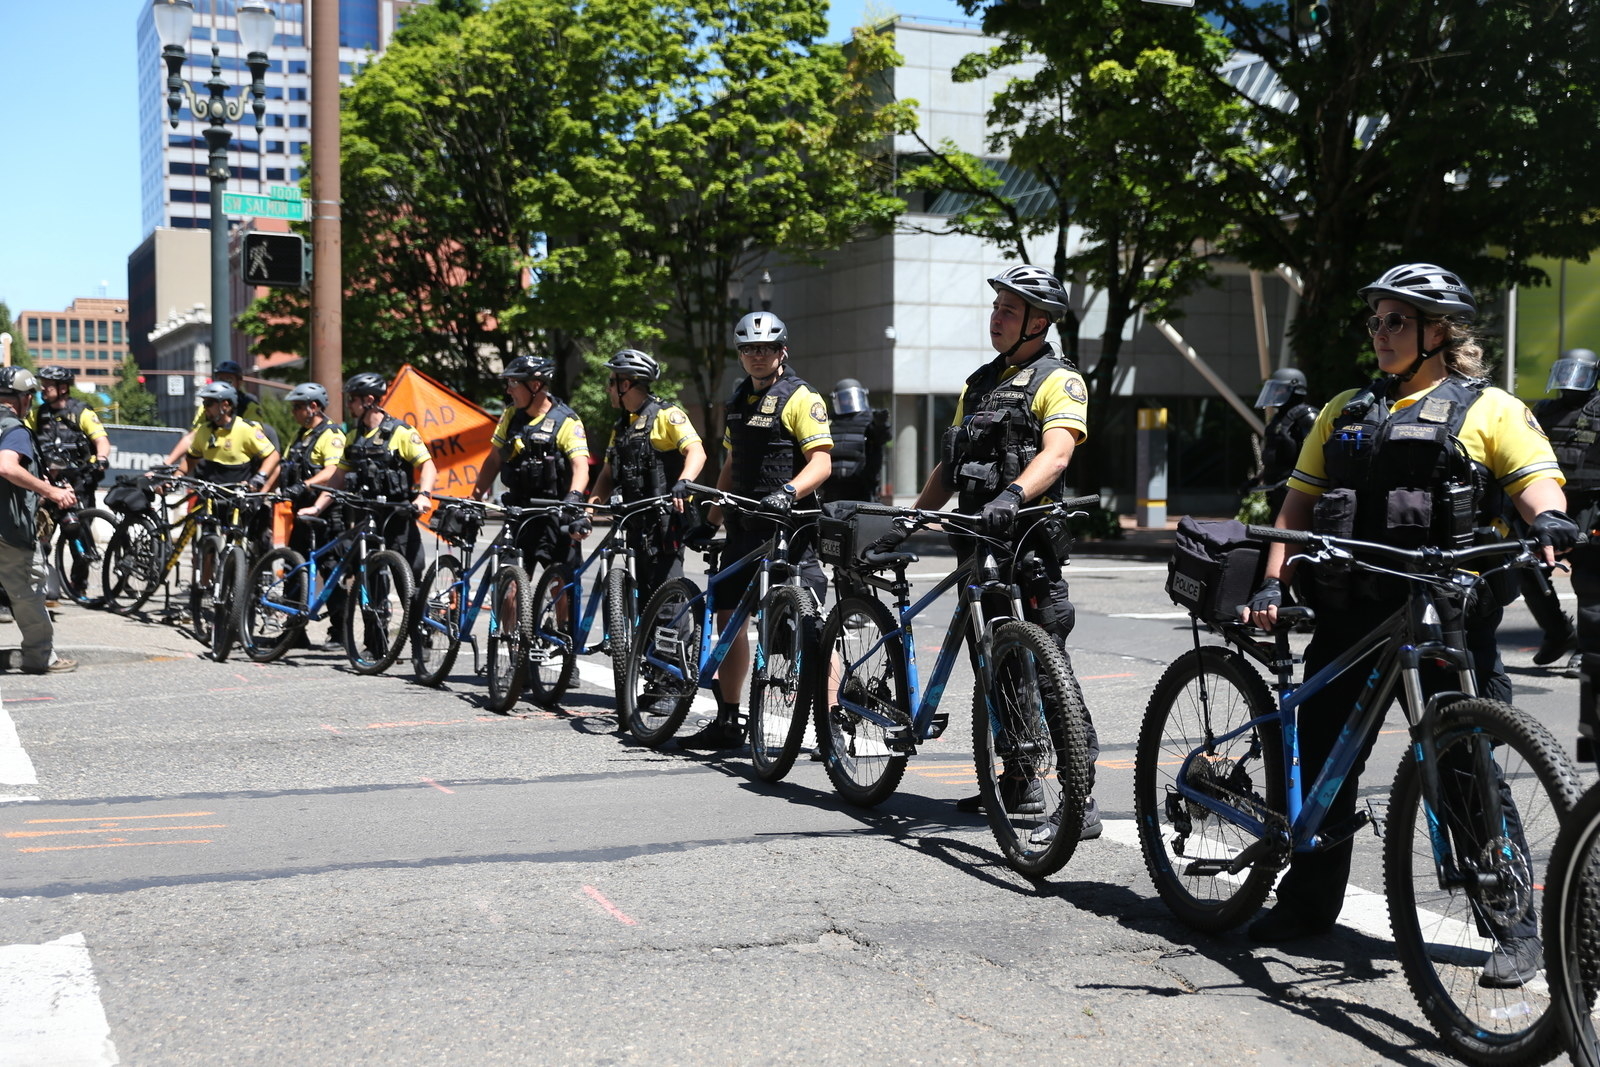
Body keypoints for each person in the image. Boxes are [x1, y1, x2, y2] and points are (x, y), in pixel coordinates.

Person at [1243, 262, 1574, 986]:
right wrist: (1272, 579)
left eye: (1397, 320)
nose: (1381, 333)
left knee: (1466, 770)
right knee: (1325, 757)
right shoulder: (1343, 409)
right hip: (1351, 613)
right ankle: (1305, 903)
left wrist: (1548, 515)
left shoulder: (1489, 409)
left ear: (1438, 331)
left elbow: (1533, 479)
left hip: (1447, 619)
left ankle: (1514, 925)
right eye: (1377, 320)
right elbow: (1297, 507)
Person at [908, 264, 1100, 842]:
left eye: (1010, 310)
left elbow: (1059, 452)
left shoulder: (1058, 380)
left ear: (1039, 323)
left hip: (1029, 546)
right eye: (996, 308)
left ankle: (1079, 797)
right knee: (997, 668)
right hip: (976, 545)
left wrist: (1015, 494)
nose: (997, 317)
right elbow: (951, 462)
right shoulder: (982, 381)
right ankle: (1018, 781)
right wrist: (916, 516)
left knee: (1048, 672)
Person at [677, 310, 832, 751]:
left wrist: (789, 491)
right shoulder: (739, 399)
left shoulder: (802, 397)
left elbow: (821, 462)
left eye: (765, 348)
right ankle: (728, 720)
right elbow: (731, 466)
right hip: (744, 526)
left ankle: (834, 721)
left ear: (782, 351)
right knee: (729, 618)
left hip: (789, 527)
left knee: (806, 626)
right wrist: (709, 520)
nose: (757, 356)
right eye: (749, 349)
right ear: (741, 355)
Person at [587, 349, 706, 604]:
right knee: (640, 602)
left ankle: (675, 644)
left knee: (667, 601)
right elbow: (607, 474)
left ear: (625, 384)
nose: (608, 388)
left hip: (663, 527)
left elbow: (696, 451)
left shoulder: (666, 415)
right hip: (633, 525)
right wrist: (588, 511)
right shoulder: (622, 427)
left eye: (611, 382)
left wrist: (684, 482)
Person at [303, 373, 435, 576]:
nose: (348, 404)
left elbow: (427, 466)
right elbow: (337, 478)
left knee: (410, 579)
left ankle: (414, 606)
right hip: (366, 515)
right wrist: (316, 507)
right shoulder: (353, 437)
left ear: (369, 400)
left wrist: (423, 495)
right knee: (366, 577)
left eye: (352, 399)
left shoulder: (400, 432)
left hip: (397, 516)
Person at [1533, 348, 1600, 741]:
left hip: (1593, 502)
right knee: (1527, 571)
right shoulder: (1544, 408)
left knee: (1590, 584)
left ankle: (1589, 650)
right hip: (1552, 502)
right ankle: (1558, 630)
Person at [471, 355, 591, 573]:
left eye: (514, 384)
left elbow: (580, 465)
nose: (508, 390)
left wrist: (574, 496)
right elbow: (494, 459)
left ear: (535, 385)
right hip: (518, 509)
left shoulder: (566, 421)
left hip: (554, 512)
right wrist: (475, 497)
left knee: (560, 583)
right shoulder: (510, 415)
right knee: (509, 584)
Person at [0, 367, 77, 674]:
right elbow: (6, 467)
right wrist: (52, 491)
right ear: (24, 398)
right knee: (28, 594)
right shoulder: (14, 429)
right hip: (9, 530)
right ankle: (39, 657)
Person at [163, 360, 270, 466]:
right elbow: (193, 436)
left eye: (229, 380)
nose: (223, 383)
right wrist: (167, 462)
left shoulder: (249, 406)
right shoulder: (206, 407)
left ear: (239, 382)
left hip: (243, 462)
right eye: (219, 379)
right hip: (213, 461)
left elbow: (256, 436)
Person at [29, 366, 111, 504]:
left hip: (79, 478)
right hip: (49, 478)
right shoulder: (37, 414)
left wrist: (101, 458)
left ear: (62, 388)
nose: (42, 388)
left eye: (47, 385)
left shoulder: (81, 412)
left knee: (79, 522)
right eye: (42, 384)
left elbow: (101, 441)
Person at [1250, 367, 1317, 519]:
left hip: (1295, 495)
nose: (1274, 394)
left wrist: (1295, 482)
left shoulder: (1307, 417)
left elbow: (1316, 459)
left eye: (1279, 389)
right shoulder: (1278, 420)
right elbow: (1273, 457)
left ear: (1295, 390)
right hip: (1274, 491)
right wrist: (1257, 479)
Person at [820, 378, 890, 504]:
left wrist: (881, 425)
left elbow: (882, 437)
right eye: (845, 398)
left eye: (852, 397)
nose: (849, 401)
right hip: (831, 490)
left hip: (863, 491)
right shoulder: (828, 422)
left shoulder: (870, 420)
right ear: (837, 399)